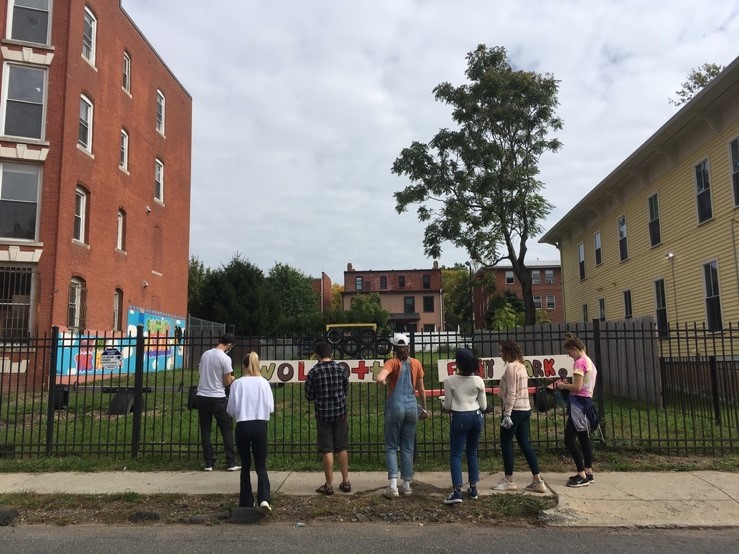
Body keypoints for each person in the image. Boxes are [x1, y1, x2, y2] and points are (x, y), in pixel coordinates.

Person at [376, 332, 428, 498]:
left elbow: (380, 378)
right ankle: (406, 484)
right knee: (407, 447)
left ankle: (393, 486)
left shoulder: (392, 362)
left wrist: (385, 381)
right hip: (412, 407)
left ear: (394, 348)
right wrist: (424, 409)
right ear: (408, 347)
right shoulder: (416, 363)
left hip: (395, 407)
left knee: (392, 446)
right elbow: (421, 388)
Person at [492, 340, 547, 493]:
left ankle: (509, 480)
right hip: (525, 409)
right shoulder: (522, 366)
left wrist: (507, 414)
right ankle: (537, 480)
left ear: (508, 352)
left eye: (501, 351)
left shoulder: (511, 367)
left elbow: (512, 392)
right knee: (524, 443)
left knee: (506, 443)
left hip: (514, 410)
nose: (500, 354)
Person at [227, 352, 274, 513]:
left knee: (245, 464)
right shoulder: (263, 383)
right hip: (260, 424)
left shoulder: (237, 384)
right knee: (261, 464)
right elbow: (270, 407)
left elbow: (231, 409)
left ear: (243, 366)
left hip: (243, 425)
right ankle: (264, 498)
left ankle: (246, 500)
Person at [304, 340, 351, 496]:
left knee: (327, 449)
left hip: (323, 414)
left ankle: (329, 485)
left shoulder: (314, 372)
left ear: (317, 355)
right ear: (331, 354)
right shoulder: (341, 369)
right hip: (340, 412)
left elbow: (309, 395)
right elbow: (345, 389)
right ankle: (345, 482)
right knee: (342, 447)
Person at [441, 348, 486, 504]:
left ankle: (457, 491)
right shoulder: (479, 381)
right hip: (476, 417)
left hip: (460, 416)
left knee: (456, 454)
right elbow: (484, 405)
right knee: (472, 451)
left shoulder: (450, 381)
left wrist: (443, 402)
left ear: (457, 364)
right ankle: (473, 488)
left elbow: (447, 406)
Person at [555, 332, 599, 487]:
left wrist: (562, 385)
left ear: (574, 349)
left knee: (569, 439)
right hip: (587, 402)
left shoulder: (579, 362)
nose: (569, 356)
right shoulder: (588, 361)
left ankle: (581, 474)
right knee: (584, 438)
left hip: (578, 405)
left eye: (569, 352)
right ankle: (588, 471)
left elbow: (577, 386)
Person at [195, 333, 240, 472]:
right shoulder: (225, 358)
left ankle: (208, 462)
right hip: (217, 397)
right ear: (229, 345)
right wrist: (232, 378)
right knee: (226, 429)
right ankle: (230, 462)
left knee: (205, 430)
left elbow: (200, 371)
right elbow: (227, 381)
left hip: (202, 396)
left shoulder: (205, 354)